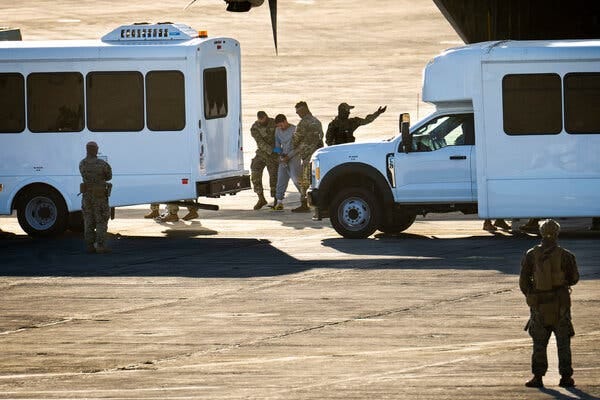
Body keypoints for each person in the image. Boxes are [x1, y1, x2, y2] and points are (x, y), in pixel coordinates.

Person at [519, 219, 579, 388]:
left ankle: (537, 377)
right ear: (557, 233)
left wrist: (532, 296)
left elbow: (524, 282)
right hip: (560, 303)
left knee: (539, 342)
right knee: (563, 342)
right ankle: (566, 377)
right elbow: (574, 278)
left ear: (541, 233)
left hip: (539, 304)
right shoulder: (566, 255)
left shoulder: (531, 254)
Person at [79, 141, 112, 254]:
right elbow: (109, 176)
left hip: (86, 196)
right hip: (100, 197)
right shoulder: (102, 164)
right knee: (101, 220)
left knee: (88, 220)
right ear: (96, 150)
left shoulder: (82, 163)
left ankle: (89, 246)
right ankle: (101, 246)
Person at [291, 101, 324, 213]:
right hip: (317, 157)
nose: (298, 114)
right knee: (317, 179)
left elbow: (296, 139)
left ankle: (304, 204)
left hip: (307, 157)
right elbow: (321, 138)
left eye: (298, 112)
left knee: (304, 181)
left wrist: (295, 147)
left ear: (303, 110)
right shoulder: (317, 122)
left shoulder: (303, 123)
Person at [272, 114, 302, 211]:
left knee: (296, 179)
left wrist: (289, 156)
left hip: (294, 157)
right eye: (278, 126)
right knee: (281, 179)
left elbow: (299, 147)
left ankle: (304, 199)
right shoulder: (277, 131)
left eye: (281, 125)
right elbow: (277, 145)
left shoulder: (295, 130)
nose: (280, 127)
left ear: (285, 121)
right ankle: (279, 201)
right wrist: (280, 155)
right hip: (283, 157)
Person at [250, 111, 279, 210]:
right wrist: (272, 150)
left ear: (266, 117)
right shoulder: (255, 127)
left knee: (274, 177)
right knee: (255, 173)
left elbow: (280, 137)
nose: (261, 122)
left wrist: (279, 150)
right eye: (260, 120)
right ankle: (261, 198)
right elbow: (260, 142)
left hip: (274, 156)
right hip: (262, 153)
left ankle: (276, 199)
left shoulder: (274, 123)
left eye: (263, 119)